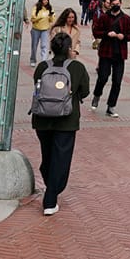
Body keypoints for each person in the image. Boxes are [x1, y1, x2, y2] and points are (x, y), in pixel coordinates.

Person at [31, 31, 89, 216]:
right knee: (61, 158)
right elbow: (85, 91)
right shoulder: (77, 68)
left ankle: (51, 186)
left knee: (47, 155)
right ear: (69, 49)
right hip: (66, 120)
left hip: (42, 119)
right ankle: (50, 198)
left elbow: (37, 86)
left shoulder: (42, 66)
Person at [91, 0, 130, 118]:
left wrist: (124, 37)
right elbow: (96, 31)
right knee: (103, 77)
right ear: (110, 4)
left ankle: (111, 106)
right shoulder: (105, 17)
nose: (115, 6)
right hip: (106, 52)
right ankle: (97, 95)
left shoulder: (126, 19)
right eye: (113, 4)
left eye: (117, 4)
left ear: (121, 4)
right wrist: (106, 34)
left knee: (117, 81)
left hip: (119, 54)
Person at [27, 0, 56, 66]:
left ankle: (44, 61)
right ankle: (33, 59)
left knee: (44, 46)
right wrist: (42, 16)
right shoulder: (36, 7)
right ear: (41, 0)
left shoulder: (49, 8)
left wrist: (51, 16)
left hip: (45, 29)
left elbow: (52, 19)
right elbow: (33, 18)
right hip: (36, 29)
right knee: (34, 46)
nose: (46, 1)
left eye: (47, 0)